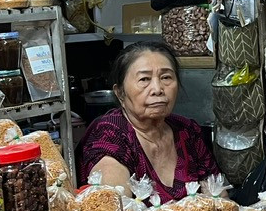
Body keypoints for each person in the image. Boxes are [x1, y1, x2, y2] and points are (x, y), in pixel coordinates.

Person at [78, 41, 219, 200]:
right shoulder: (110, 133)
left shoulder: (188, 132)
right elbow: (113, 208)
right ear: (120, 93)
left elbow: (218, 198)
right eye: (144, 79)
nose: (158, 89)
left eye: (166, 77)